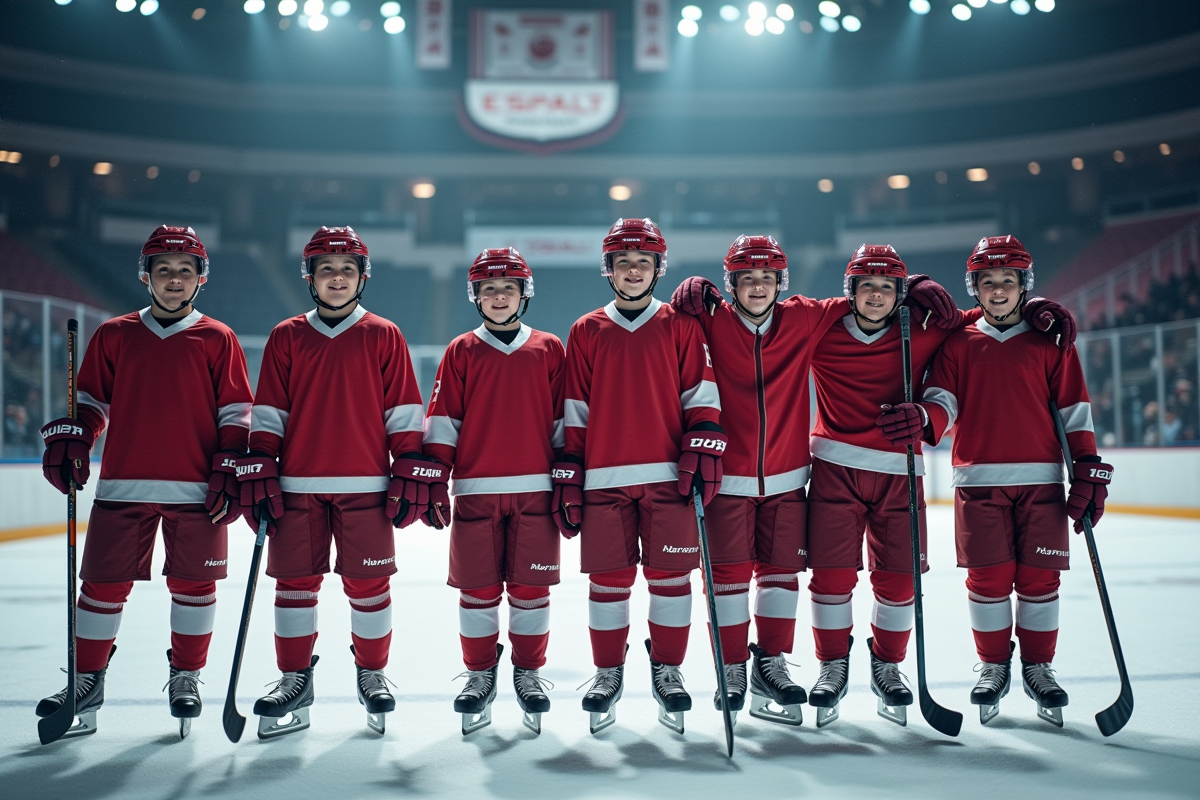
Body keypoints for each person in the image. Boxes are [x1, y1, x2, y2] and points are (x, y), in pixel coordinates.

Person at [37, 225, 253, 739]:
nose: (174, 280)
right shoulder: (114, 334)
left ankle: (186, 677)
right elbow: (89, 403)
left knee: (195, 588)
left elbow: (237, 411)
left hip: (197, 491)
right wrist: (75, 435)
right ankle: (87, 680)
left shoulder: (218, 338)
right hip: (123, 486)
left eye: (184, 271)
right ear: (146, 276)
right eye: (164, 271)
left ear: (200, 278)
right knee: (101, 589)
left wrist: (230, 459)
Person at [238, 226, 426, 738]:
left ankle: (372, 673)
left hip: (366, 484)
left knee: (368, 585)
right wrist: (260, 465)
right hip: (297, 485)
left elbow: (404, 411)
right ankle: (294, 679)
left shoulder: (383, 334)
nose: (337, 279)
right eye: (327, 271)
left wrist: (408, 464)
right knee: (295, 585)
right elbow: (271, 412)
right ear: (311, 279)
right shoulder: (286, 336)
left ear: (362, 277)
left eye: (347, 270)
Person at [920, 235, 1107, 727]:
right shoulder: (959, 342)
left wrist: (1087, 465)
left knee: (1040, 581)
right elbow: (944, 400)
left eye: (1008, 281)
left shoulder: (1050, 341)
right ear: (974, 287)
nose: (998, 290)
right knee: (988, 581)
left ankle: (1038, 668)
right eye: (988, 281)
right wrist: (923, 420)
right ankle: (993, 665)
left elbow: (1075, 409)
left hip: (1041, 481)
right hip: (977, 482)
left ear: (1024, 286)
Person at [554, 218, 724, 735]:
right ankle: (608, 673)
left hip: (670, 479)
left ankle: (667, 669)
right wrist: (570, 472)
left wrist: (703, 441)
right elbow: (575, 412)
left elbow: (702, 396)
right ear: (610, 269)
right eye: (624, 262)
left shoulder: (679, 324)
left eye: (643, 263)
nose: (633, 271)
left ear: (657, 268)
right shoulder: (586, 329)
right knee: (608, 584)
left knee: (671, 581)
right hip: (604, 480)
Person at [421, 248, 566, 735]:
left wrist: (569, 475)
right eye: (488, 290)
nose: (498, 297)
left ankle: (529, 673)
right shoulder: (461, 350)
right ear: (475, 296)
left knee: (531, 590)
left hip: (537, 491)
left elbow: (562, 422)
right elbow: (443, 421)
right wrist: (436, 478)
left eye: (507, 289)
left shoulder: (549, 348)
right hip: (477, 491)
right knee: (478, 591)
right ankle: (480, 674)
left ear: (523, 294)